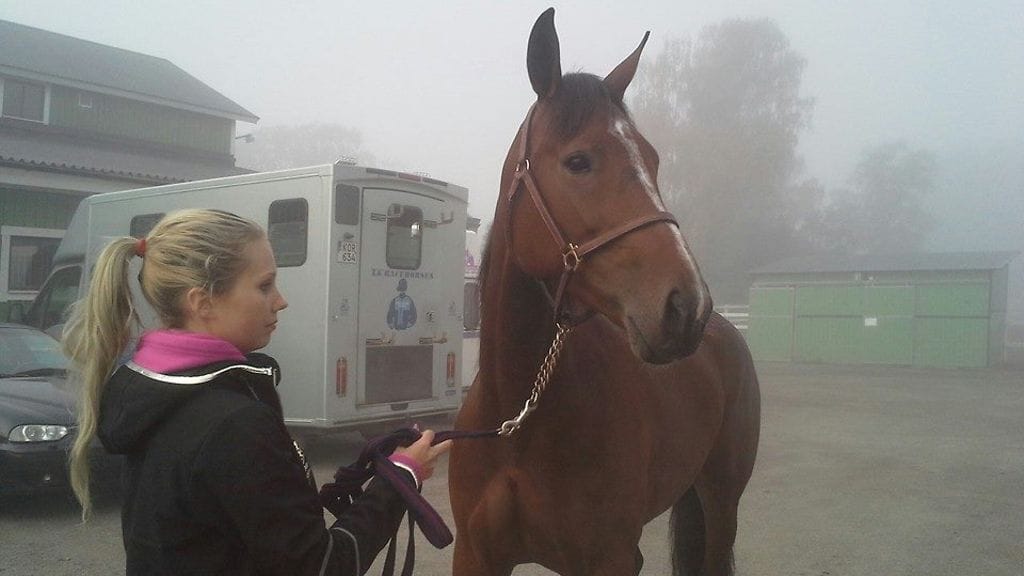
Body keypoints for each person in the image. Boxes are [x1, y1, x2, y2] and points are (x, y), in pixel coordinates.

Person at [63, 208, 451, 575]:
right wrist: (401, 478)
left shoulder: (153, 393)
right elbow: (322, 566)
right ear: (202, 302)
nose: (281, 301)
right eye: (264, 286)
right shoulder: (233, 423)